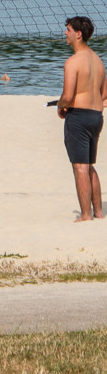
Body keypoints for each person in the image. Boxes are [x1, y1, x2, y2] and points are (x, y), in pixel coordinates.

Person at [60, 17, 104, 221]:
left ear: (79, 34)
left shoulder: (73, 62)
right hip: (96, 116)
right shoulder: (97, 60)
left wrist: (61, 106)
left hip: (79, 116)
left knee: (80, 167)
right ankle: (98, 212)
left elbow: (67, 96)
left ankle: (86, 215)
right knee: (89, 165)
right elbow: (105, 95)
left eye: (68, 30)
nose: (65, 33)